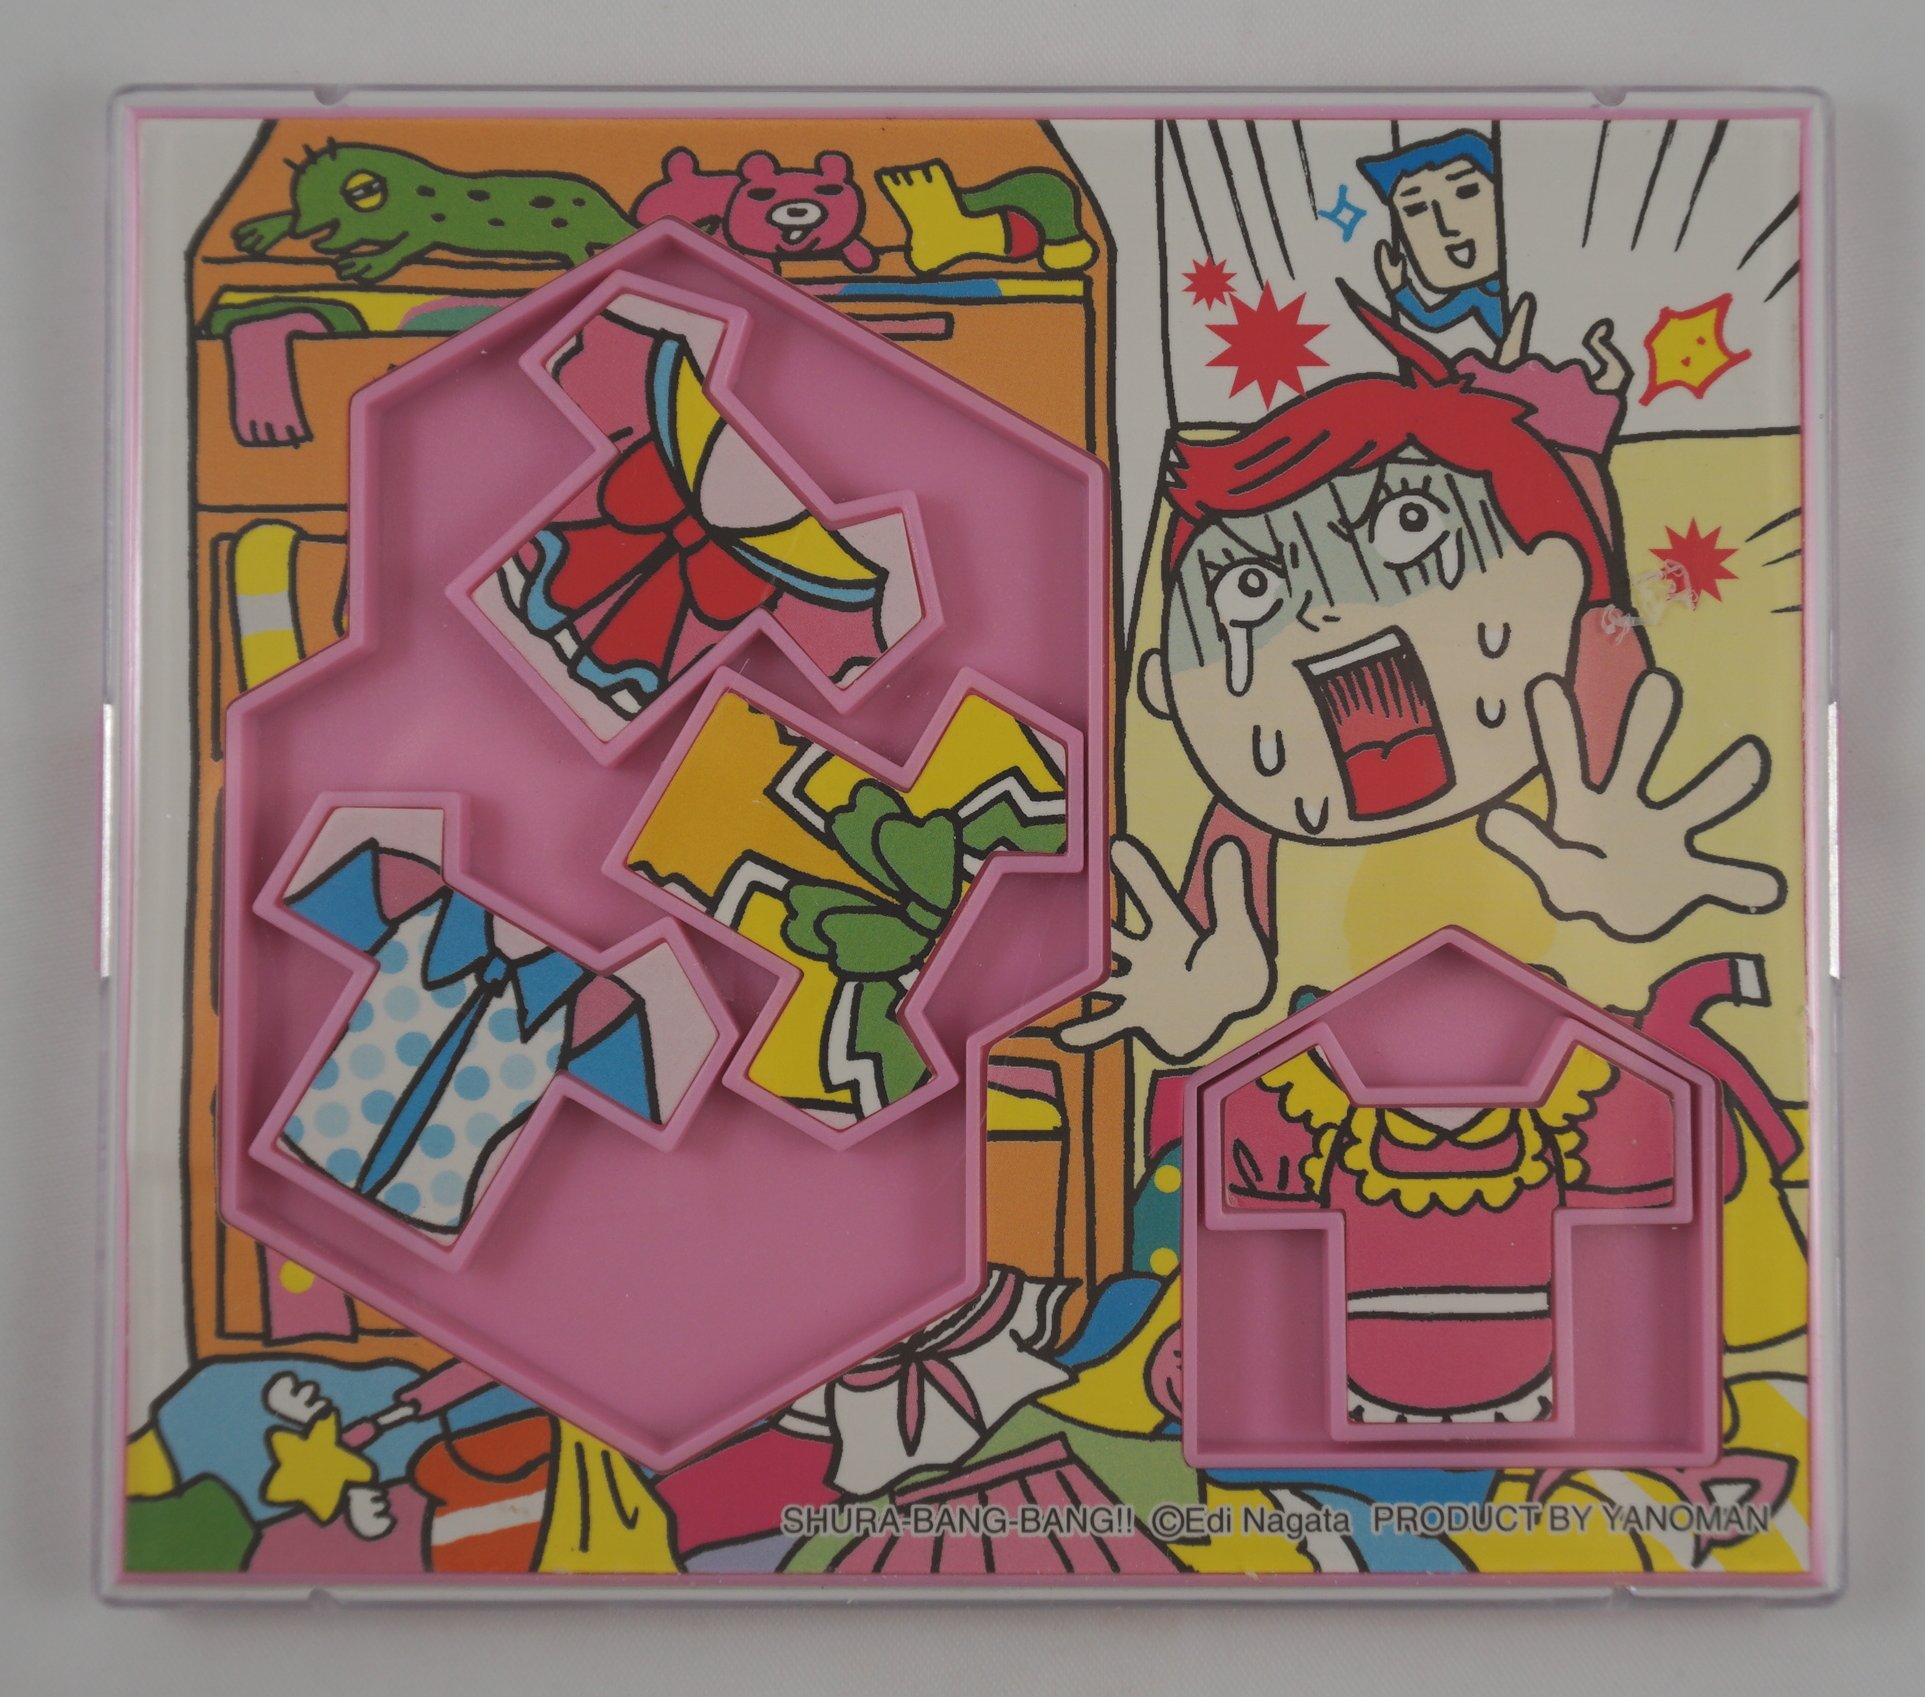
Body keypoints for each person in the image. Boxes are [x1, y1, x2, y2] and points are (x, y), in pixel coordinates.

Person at [1060, 288, 1784, 1064]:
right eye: (1250, 591)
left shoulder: (1595, 750)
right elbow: (1220, 944)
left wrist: (1640, 892)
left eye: (1410, 527)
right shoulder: (1243, 839)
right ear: (1164, 690)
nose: (1326, 617)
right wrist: (1207, 991)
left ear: (1558, 576)